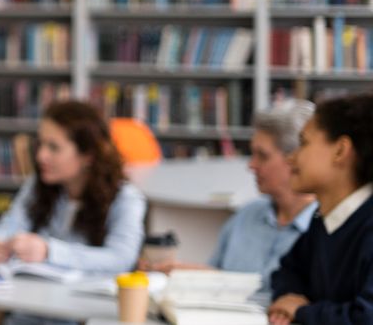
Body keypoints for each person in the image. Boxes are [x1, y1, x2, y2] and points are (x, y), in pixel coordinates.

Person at [0, 100, 146, 325]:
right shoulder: (37, 186)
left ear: (88, 155)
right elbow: (8, 225)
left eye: (54, 147)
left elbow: (122, 259)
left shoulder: (125, 198)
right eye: (40, 144)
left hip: (84, 316)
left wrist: (49, 251)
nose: (41, 156)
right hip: (28, 311)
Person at [138, 99, 317, 292]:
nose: (251, 165)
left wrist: (208, 277)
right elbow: (217, 277)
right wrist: (181, 273)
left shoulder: (323, 230)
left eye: (262, 156)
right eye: (252, 154)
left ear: (296, 158)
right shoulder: (245, 216)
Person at [269, 94, 373, 325]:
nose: (291, 157)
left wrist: (303, 312)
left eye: (303, 143)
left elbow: (365, 318)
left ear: (340, 151)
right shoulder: (325, 220)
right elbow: (288, 270)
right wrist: (290, 297)